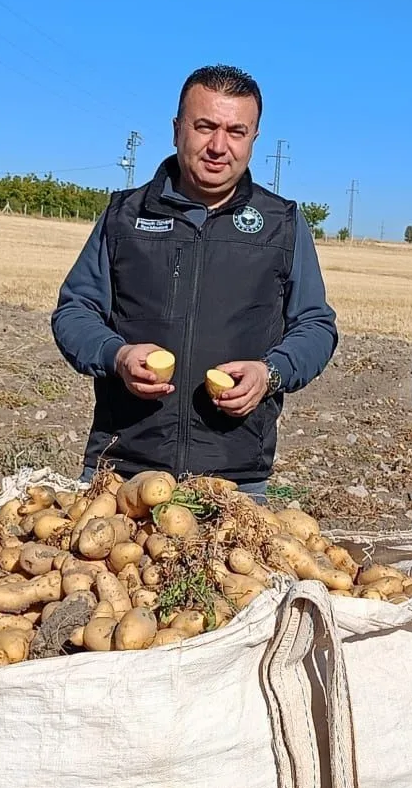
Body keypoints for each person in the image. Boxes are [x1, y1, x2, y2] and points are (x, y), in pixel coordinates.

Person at [51, 65, 338, 497]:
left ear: (253, 139)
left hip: (236, 480)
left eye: (236, 131)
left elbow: (315, 325)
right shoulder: (125, 215)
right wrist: (117, 355)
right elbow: (75, 311)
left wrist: (270, 373)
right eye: (205, 126)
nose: (219, 146)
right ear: (176, 130)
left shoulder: (282, 224)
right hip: (120, 474)